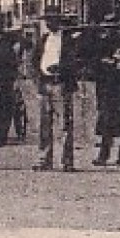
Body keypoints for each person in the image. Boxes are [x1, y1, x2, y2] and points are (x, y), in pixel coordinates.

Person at [32, 11, 78, 171]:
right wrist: (39, 76)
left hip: (61, 84)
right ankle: (44, 159)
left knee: (64, 123)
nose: (49, 24)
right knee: (44, 124)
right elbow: (34, 59)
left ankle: (67, 161)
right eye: (47, 21)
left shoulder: (68, 40)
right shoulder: (43, 39)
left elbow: (74, 62)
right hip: (45, 84)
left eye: (52, 20)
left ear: (58, 21)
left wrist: (61, 69)